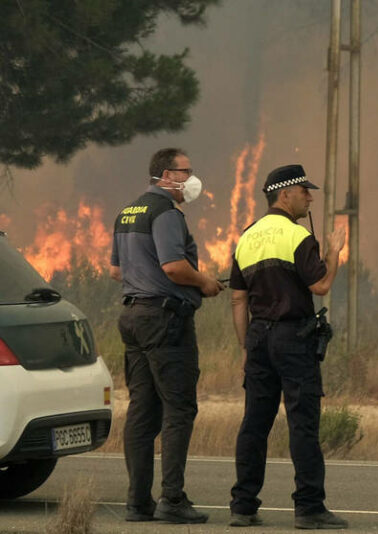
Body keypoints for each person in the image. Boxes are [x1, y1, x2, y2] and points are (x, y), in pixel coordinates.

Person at [228, 164, 347, 529]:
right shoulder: (297, 237)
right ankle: (309, 508)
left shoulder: (246, 238)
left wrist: (246, 347)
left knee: (254, 424)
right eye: (304, 191)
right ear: (284, 194)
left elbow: (237, 299)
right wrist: (334, 251)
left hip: (258, 337)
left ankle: (243, 507)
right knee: (303, 423)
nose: (309, 197)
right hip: (294, 338)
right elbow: (321, 286)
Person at [109, 148, 224, 524]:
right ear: (165, 175)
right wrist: (204, 281)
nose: (191, 178)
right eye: (185, 171)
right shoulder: (166, 213)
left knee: (143, 410)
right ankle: (172, 500)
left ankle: (137, 503)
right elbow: (174, 266)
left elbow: (115, 271)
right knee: (179, 408)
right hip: (165, 320)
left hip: (133, 317)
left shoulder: (128, 212)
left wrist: (143, 277)